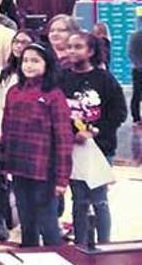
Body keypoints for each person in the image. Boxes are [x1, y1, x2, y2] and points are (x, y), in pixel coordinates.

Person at [2, 43, 72, 247]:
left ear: (47, 64)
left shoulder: (54, 95)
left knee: (48, 226)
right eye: (25, 60)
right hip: (19, 170)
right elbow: (7, 130)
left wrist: (62, 178)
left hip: (45, 173)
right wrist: (5, 164)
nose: (29, 65)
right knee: (27, 224)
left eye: (35, 60)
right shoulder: (14, 91)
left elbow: (63, 139)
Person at [60, 32, 127, 246]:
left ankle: (104, 244)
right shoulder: (62, 78)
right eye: (69, 46)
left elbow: (119, 113)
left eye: (78, 47)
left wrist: (95, 131)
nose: (72, 51)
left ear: (90, 51)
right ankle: (80, 246)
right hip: (73, 149)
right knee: (79, 201)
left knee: (99, 200)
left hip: (100, 148)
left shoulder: (104, 79)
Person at [0, 29, 36, 139]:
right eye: (16, 42)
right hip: (7, 129)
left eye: (24, 42)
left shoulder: (38, 73)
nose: (19, 46)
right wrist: (1, 131)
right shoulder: (2, 73)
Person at [130, 28, 142, 124]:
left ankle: (136, 118)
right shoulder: (136, 36)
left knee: (136, 94)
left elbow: (131, 53)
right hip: (138, 68)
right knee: (137, 95)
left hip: (137, 69)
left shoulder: (134, 36)